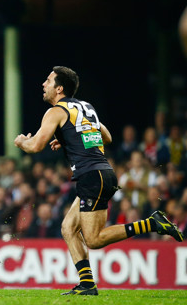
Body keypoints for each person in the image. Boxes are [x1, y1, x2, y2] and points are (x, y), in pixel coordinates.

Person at [14, 66, 184, 296]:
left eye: (48, 80)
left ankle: (152, 223)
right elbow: (107, 136)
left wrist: (21, 142)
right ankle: (87, 284)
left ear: (59, 88)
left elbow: (35, 146)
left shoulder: (55, 111)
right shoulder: (86, 107)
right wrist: (67, 139)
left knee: (93, 239)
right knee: (68, 228)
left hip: (93, 176)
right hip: (101, 173)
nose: (43, 84)